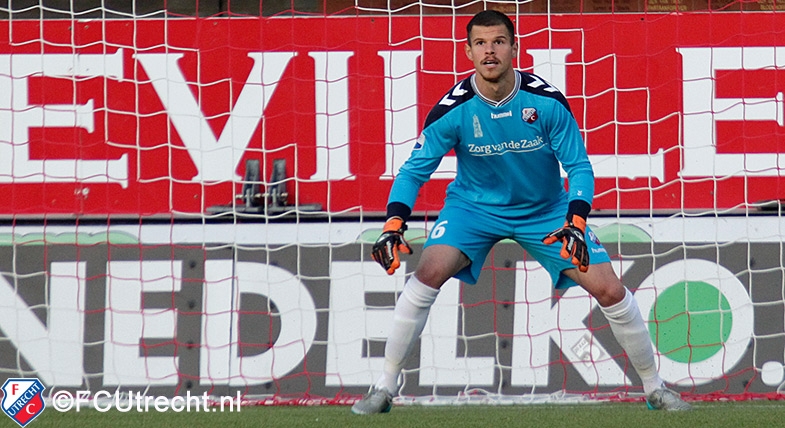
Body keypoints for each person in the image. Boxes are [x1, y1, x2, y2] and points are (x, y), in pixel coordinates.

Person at [351, 10, 691, 414]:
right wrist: (394, 223)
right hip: (473, 209)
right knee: (427, 272)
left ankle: (655, 388)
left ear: (515, 47)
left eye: (498, 42)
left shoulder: (545, 102)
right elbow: (413, 171)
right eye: (480, 43)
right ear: (468, 51)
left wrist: (576, 221)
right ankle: (384, 387)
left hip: (545, 210)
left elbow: (578, 166)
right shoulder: (452, 110)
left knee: (610, 290)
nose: (489, 50)